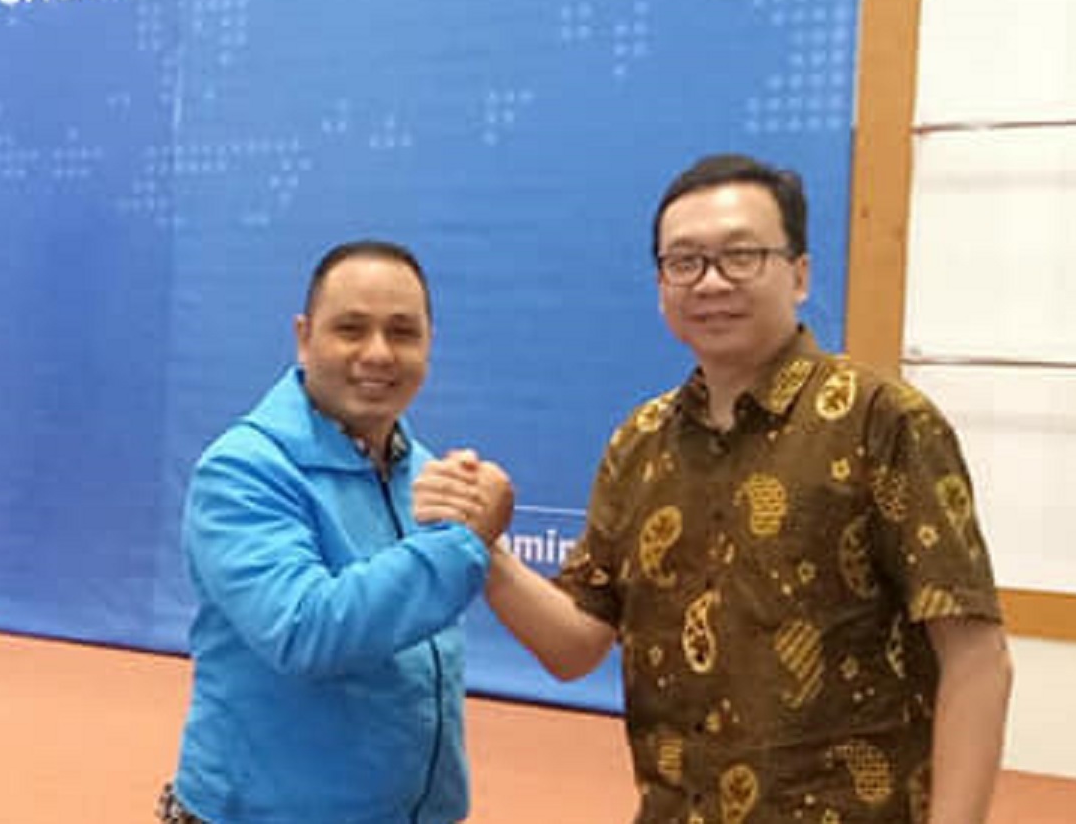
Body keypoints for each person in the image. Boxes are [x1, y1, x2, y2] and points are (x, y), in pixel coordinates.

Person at [416, 154, 1013, 824]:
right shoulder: (640, 441)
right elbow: (575, 646)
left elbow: (976, 656)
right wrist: (486, 548)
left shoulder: (882, 421)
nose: (710, 281)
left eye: (740, 256)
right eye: (684, 261)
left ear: (799, 273)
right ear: (661, 285)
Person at [160, 239, 514, 824]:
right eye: (351, 329)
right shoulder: (242, 469)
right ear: (304, 337)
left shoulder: (425, 470)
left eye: (403, 333)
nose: (378, 353)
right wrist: (463, 543)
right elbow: (306, 631)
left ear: (430, 343)